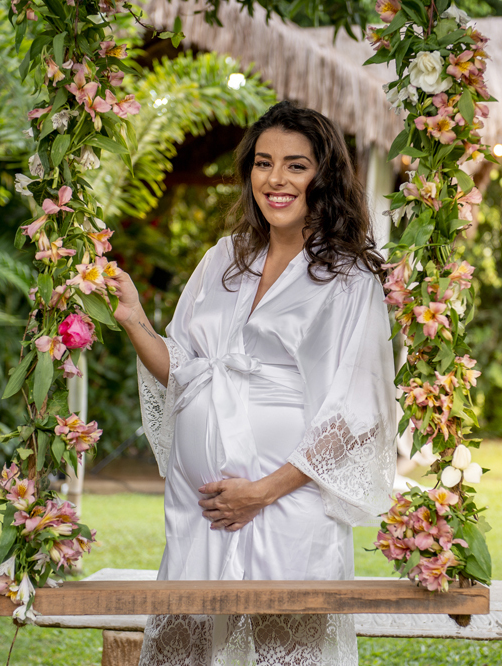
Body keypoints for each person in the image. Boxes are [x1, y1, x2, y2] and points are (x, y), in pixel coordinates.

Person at [113, 101, 398, 666]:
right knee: (191, 649)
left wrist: (261, 492)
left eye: (296, 165)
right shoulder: (226, 258)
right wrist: (132, 316)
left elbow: (356, 411)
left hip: (287, 503)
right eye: (263, 163)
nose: (276, 179)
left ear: (324, 175)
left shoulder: (348, 275)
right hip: (205, 509)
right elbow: (187, 371)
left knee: (282, 651)